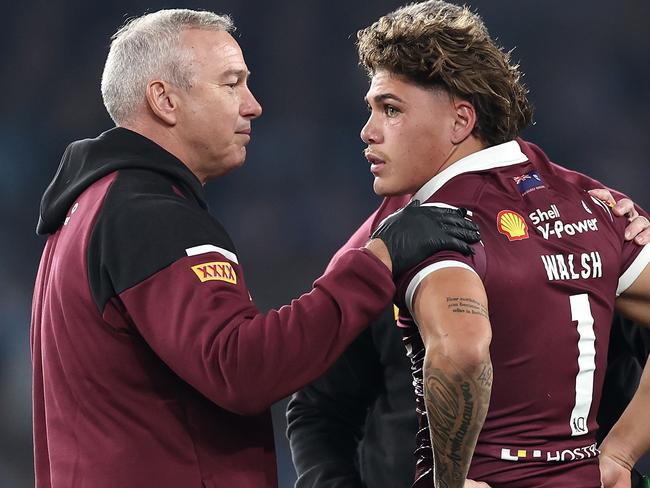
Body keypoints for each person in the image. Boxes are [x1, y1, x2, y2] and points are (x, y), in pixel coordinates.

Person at [30, 9, 482, 488]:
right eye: (231, 84)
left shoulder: (88, 207)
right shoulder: (148, 214)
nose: (253, 105)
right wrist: (377, 261)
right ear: (164, 100)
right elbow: (240, 369)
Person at [289, 1, 650, 487]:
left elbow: (461, 350)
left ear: (460, 121)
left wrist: (450, 480)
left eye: (390, 109)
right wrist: (621, 455)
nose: (367, 131)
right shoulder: (595, 204)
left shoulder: (430, 226)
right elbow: (319, 408)